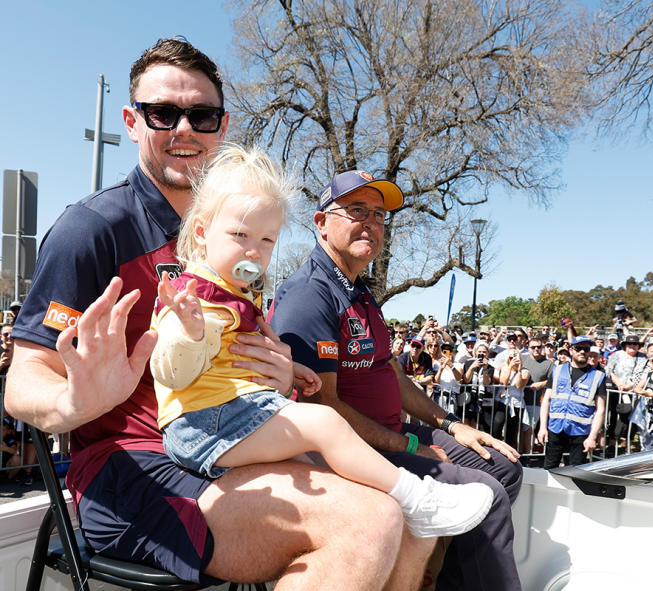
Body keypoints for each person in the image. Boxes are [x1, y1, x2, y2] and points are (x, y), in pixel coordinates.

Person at [3, 38, 434, 589]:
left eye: (201, 115)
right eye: (163, 113)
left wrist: (282, 376)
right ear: (133, 122)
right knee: (370, 524)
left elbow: (248, 365)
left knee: (417, 522)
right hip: (131, 467)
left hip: (227, 443)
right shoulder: (92, 229)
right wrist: (72, 401)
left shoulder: (242, 244)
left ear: (222, 126)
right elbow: (22, 385)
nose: (184, 130)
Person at [151, 145, 492, 538]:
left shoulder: (234, 291)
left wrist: (292, 370)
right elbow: (172, 372)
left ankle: (403, 510)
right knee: (326, 423)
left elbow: (230, 357)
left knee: (322, 463)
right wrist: (190, 334)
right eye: (239, 234)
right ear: (201, 233)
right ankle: (418, 499)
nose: (253, 251)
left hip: (234, 415)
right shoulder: (195, 298)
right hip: (205, 426)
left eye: (266, 240)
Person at [270, 170, 524, 590]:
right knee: (487, 495)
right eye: (356, 210)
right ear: (321, 223)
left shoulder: (362, 292)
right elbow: (322, 410)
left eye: (379, 215)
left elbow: (389, 371)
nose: (371, 222)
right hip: (347, 451)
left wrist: (451, 426)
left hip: (391, 433)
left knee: (506, 468)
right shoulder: (308, 295)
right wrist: (415, 447)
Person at [537, 335, 607, 469]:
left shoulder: (598, 376)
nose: (582, 352)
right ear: (571, 350)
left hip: (580, 432)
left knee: (576, 472)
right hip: (556, 428)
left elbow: (601, 410)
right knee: (550, 468)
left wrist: (592, 437)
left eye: (586, 349)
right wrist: (542, 428)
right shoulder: (557, 370)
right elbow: (546, 400)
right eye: (579, 348)